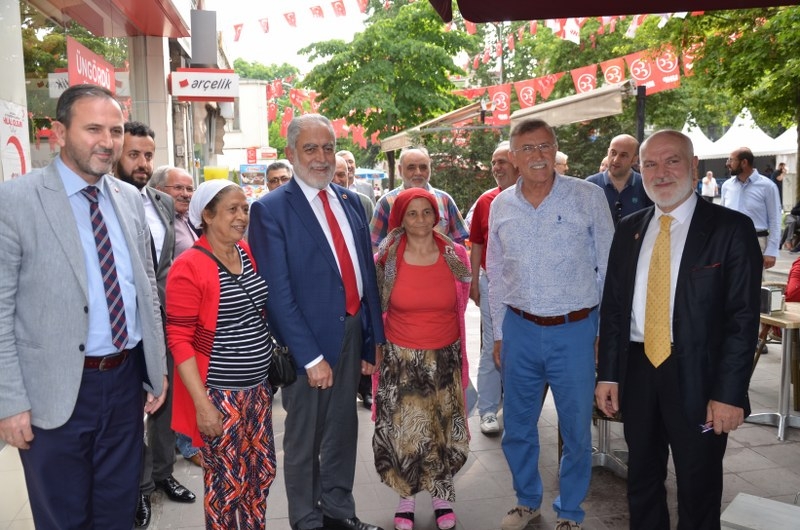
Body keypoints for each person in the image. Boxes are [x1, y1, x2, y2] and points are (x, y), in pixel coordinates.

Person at [0, 83, 167, 528]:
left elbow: (144, 289)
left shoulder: (129, 199)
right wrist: (10, 402)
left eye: (115, 130)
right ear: (59, 132)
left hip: (125, 382)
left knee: (117, 511)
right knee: (63, 518)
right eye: (93, 129)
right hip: (52, 393)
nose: (108, 142)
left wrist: (155, 368)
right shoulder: (15, 201)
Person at [595, 129, 762, 529]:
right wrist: (608, 375)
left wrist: (729, 394)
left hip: (701, 378)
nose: (661, 172)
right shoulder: (629, 228)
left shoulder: (731, 229)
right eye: (650, 164)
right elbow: (614, 309)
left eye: (672, 161)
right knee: (641, 479)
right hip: (638, 371)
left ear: (693, 166)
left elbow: (743, 321)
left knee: (698, 483)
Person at [248, 114, 385, 530]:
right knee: (305, 438)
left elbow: (365, 276)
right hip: (306, 342)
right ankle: (307, 520)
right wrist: (309, 357)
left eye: (328, 147)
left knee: (343, 430)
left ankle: (339, 512)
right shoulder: (270, 209)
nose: (321, 157)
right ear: (291, 153)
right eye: (311, 148)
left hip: (352, 332)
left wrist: (371, 340)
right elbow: (277, 293)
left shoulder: (351, 201)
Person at [488, 118, 614, 530]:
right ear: (513, 157)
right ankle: (527, 500)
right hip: (520, 329)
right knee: (517, 427)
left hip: (575, 329)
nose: (537, 155)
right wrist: (499, 332)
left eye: (545, 146)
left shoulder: (587, 196)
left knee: (576, 429)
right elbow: (495, 272)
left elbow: (609, 269)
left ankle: (570, 510)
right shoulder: (501, 205)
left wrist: (602, 331)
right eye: (527, 148)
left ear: (555, 149)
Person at [166, 179, 277, 529]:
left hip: (257, 391)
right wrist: (203, 406)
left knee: (261, 473)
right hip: (220, 395)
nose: (242, 216)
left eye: (245, 209)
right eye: (232, 209)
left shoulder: (244, 252)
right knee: (226, 484)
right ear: (208, 215)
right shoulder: (189, 265)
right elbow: (179, 339)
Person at [372, 187, 471, 530]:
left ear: (436, 216)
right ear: (400, 218)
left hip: (445, 357)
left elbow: (463, 298)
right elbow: (375, 307)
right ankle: (407, 499)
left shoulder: (455, 254)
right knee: (406, 433)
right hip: (401, 359)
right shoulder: (385, 259)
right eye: (411, 213)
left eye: (426, 212)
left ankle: (442, 496)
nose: (420, 220)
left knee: (442, 431)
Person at [115, 123, 197, 528]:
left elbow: (162, 268)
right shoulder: (107, 201)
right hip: (122, 328)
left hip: (164, 322)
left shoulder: (162, 203)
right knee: (132, 411)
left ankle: (164, 474)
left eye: (148, 155)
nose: (142, 163)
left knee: (165, 405)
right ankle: (139, 487)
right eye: (133, 154)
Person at [150, 165, 204, 467]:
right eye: (178, 188)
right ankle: (185, 443)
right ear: (158, 190)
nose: (185, 194)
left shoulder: (189, 221)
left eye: (189, 188)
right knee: (179, 378)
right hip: (172, 315)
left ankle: (189, 438)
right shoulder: (157, 224)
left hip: (196, 315)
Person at [468, 141, 518, 436]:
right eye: (493, 162)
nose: (497, 167)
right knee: (492, 346)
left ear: (516, 163)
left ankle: (515, 409)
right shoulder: (485, 201)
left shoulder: (531, 197)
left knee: (519, 349)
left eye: (502, 161)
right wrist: (474, 281)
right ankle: (487, 410)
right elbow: (476, 243)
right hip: (492, 284)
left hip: (523, 287)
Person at [335, 155, 376, 409]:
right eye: (334, 174)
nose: (338, 179)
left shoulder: (360, 202)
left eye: (342, 174)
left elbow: (369, 248)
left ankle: (365, 388)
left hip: (356, 300)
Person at [370, 147, 468, 248]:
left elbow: (459, 240)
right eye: (411, 168)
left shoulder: (445, 200)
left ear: (430, 169)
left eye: (423, 167)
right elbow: (375, 245)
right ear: (400, 170)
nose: (418, 172)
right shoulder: (386, 203)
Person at [721, 147, 782, 269]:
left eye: (731, 160)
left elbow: (775, 219)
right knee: (729, 279)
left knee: (755, 279)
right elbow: (722, 218)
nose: (727, 164)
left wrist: (771, 251)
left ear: (744, 162)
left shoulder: (768, 186)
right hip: (730, 243)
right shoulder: (727, 186)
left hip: (757, 242)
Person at [586, 133, 653, 225]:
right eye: (613, 153)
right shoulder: (590, 185)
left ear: (634, 159)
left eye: (623, 155)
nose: (616, 160)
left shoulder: (645, 185)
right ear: (608, 152)